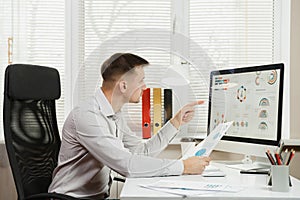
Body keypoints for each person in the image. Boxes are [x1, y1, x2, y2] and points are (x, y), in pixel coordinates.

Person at [49, 53, 210, 199]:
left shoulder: (115, 114)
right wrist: (183, 166)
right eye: (141, 81)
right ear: (123, 85)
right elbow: (127, 165)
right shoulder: (87, 116)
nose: (145, 86)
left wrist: (175, 123)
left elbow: (141, 153)